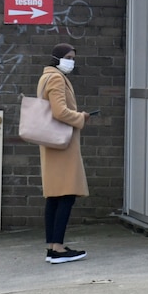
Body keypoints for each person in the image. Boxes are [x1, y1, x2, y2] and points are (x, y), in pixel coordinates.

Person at [39, 43, 90, 264]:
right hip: (62, 145)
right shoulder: (57, 78)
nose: (71, 61)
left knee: (54, 197)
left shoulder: (46, 77)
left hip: (52, 144)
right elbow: (59, 111)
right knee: (67, 195)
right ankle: (58, 248)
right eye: (68, 57)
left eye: (73, 57)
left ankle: (52, 246)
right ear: (57, 58)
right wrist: (81, 117)